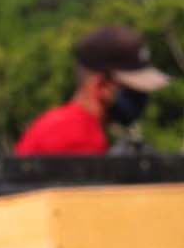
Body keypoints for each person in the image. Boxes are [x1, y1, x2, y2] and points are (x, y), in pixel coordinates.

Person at [14, 26, 170, 156]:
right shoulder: (75, 135)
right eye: (132, 88)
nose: (141, 96)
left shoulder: (69, 124)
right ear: (100, 85)